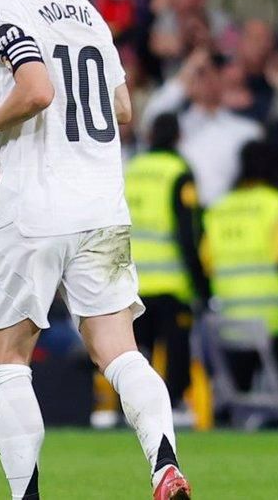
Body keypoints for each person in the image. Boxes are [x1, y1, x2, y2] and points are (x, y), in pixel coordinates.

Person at [0, 0, 190, 500]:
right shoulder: (88, 14)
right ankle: (164, 463)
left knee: (8, 359)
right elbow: (122, 108)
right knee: (119, 351)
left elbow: (38, 90)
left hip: (35, 205)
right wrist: (9, 103)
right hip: (101, 203)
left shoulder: (1, 8)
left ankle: (25, 495)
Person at [201, 140, 278, 393]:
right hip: (276, 323)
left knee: (239, 395)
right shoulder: (275, 204)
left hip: (231, 323)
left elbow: (207, 263)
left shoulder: (219, 208)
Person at [124, 113, 209, 413]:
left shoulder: (132, 169)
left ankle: (133, 410)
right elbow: (189, 233)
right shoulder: (178, 171)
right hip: (171, 282)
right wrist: (201, 285)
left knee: (137, 354)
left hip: (133, 282)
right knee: (175, 354)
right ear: (178, 137)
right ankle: (172, 408)